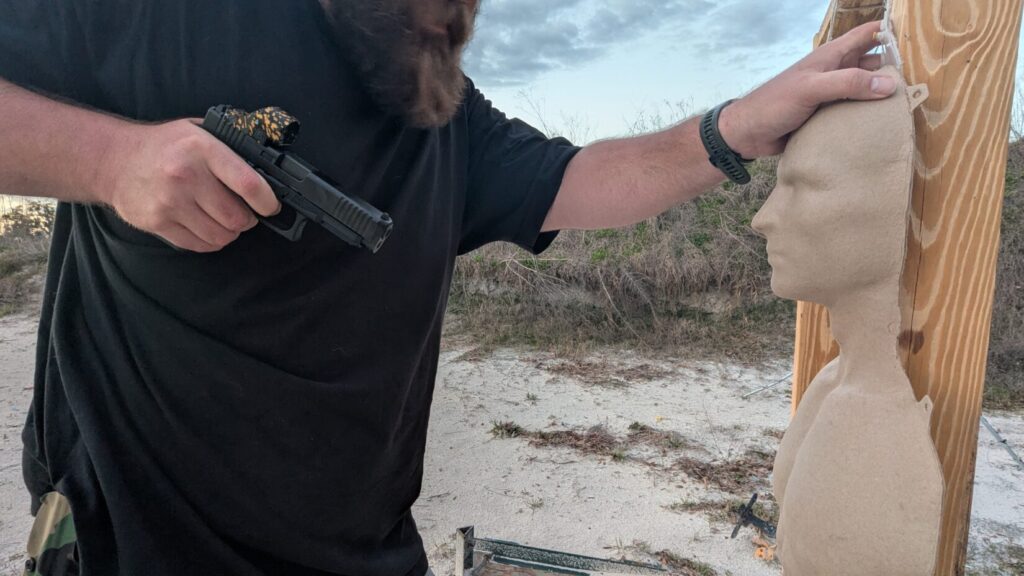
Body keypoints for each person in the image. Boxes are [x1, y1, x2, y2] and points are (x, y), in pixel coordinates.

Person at [0, 1, 897, 574]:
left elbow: (587, 178)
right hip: (135, 544)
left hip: (366, 553)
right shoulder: (166, 15)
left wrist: (736, 127)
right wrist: (115, 159)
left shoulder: (440, 105)